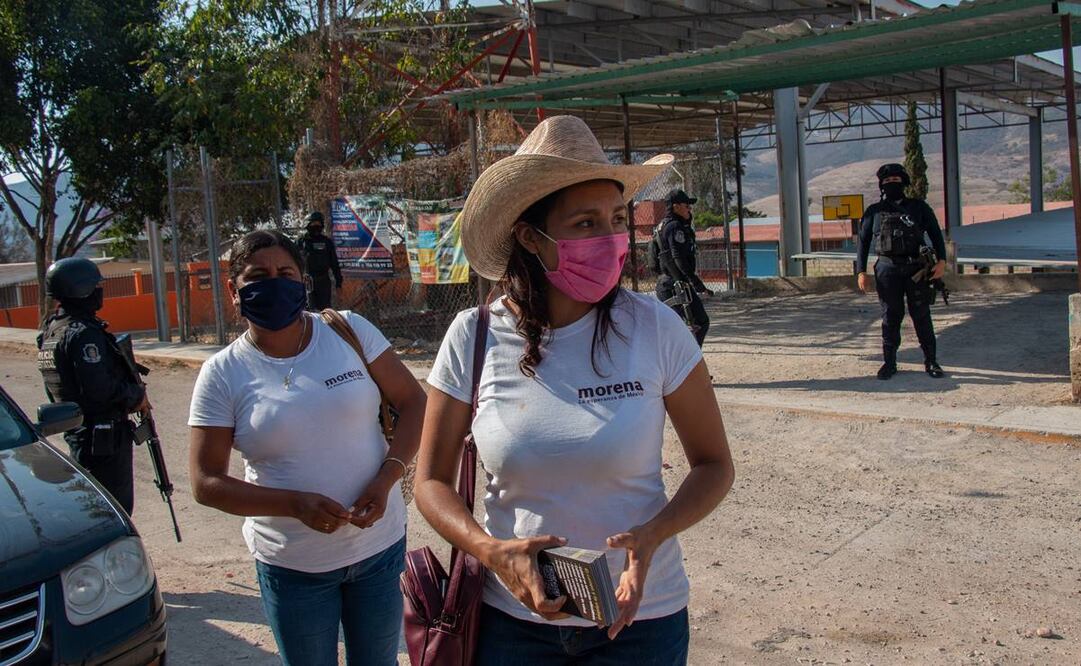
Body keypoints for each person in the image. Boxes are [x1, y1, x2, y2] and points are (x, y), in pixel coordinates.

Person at [415, 116, 735, 665]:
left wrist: (655, 533)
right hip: (512, 627)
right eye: (585, 223)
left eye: (616, 219)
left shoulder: (657, 329)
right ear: (528, 235)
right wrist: (493, 553)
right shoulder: (474, 337)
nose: (610, 239)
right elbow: (430, 482)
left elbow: (713, 464)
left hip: (641, 624)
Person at [187, 230, 426, 666]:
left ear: (303, 281)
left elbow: (413, 401)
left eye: (285, 273)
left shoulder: (348, 329)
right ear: (233, 289)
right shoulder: (222, 374)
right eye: (258, 275)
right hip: (293, 565)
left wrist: (387, 477)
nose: (274, 282)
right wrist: (295, 504)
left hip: (378, 548)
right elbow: (207, 483)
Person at [37, 257, 149, 515]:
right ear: (82, 289)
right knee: (114, 511)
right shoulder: (83, 333)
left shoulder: (51, 331)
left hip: (79, 433)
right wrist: (136, 396)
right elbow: (100, 390)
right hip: (103, 438)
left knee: (93, 507)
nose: (100, 292)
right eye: (96, 286)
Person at [856, 163, 947, 380]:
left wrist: (942, 261)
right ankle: (889, 363)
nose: (891, 185)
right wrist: (861, 271)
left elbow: (935, 234)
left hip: (916, 269)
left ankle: (931, 361)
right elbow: (863, 242)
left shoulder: (919, 208)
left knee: (921, 315)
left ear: (903, 182)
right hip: (887, 269)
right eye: (886, 182)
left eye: (895, 181)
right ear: (881, 185)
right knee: (890, 316)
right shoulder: (874, 212)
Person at [652, 188, 713, 347]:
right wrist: (697, 284)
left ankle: (686, 367)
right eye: (686, 205)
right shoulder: (674, 227)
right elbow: (678, 258)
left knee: (684, 328)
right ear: (676, 206)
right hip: (675, 284)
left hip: (668, 283)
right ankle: (689, 367)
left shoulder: (663, 226)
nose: (689, 208)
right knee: (699, 323)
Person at [298, 211, 342, 310]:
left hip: (323, 282)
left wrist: (339, 283)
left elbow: (334, 264)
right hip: (306, 282)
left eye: (318, 224)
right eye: (313, 224)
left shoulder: (326, 242)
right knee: (307, 311)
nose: (316, 226)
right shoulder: (301, 242)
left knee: (325, 311)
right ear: (307, 225)